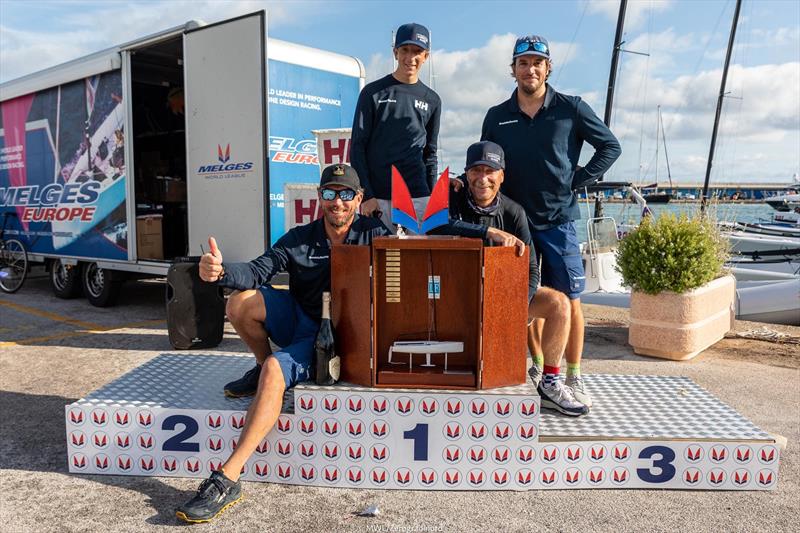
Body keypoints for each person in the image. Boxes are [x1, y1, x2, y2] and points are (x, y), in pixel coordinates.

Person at [175, 164, 390, 523]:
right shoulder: (299, 237)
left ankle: (226, 476)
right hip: (305, 324)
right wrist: (222, 272)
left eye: (346, 194)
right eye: (330, 193)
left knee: (279, 370)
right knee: (239, 302)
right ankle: (260, 370)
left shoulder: (375, 233)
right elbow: (259, 270)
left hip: (346, 335)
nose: (338, 202)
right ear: (319, 198)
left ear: (359, 198)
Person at [481, 35, 622, 409]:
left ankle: (572, 376)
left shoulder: (571, 108)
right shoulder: (497, 116)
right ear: (513, 69)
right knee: (525, 295)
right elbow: (487, 165)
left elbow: (610, 146)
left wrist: (578, 179)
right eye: (523, 63)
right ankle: (540, 368)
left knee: (570, 301)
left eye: (537, 63)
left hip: (558, 220)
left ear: (548, 68)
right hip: (514, 222)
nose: (530, 69)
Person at [448, 141, 587, 416]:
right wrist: (490, 234)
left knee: (559, 303)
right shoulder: (454, 197)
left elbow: (532, 268)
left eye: (491, 170)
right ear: (466, 173)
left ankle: (550, 382)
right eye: (476, 170)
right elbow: (442, 224)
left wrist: (515, 311)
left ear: (502, 175)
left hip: (501, 304)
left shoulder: (514, 212)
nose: (483, 178)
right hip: (456, 303)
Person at [350, 22, 441, 231]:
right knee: (380, 260)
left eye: (417, 51)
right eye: (405, 50)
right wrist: (367, 195)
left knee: (418, 261)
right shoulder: (372, 93)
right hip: (378, 196)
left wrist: (431, 197)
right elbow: (357, 147)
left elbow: (430, 153)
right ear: (395, 52)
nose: (411, 58)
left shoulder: (433, 99)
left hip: (417, 196)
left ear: (426, 56)